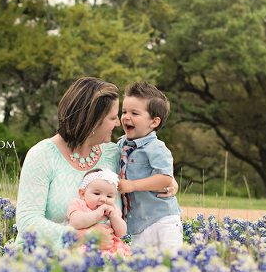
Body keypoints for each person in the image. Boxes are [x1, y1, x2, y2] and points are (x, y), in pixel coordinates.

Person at [16, 77, 178, 252]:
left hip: (105, 263)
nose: (119, 123)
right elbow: (27, 221)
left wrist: (170, 183)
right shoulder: (42, 155)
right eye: (114, 117)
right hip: (47, 259)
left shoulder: (115, 154)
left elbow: (148, 170)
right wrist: (84, 237)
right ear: (92, 120)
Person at [116, 81, 183, 253]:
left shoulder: (156, 148)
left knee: (169, 265)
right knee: (141, 270)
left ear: (154, 122)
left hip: (162, 220)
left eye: (134, 113)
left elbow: (165, 179)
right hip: (138, 224)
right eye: (124, 111)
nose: (126, 117)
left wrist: (132, 185)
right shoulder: (121, 145)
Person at [67, 168, 132, 257]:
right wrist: (97, 213)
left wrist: (114, 217)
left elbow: (121, 233)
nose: (103, 199)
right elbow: (76, 223)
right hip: (84, 248)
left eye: (109, 196)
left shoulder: (113, 210)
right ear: (82, 194)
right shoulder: (80, 205)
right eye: (97, 194)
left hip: (110, 250)